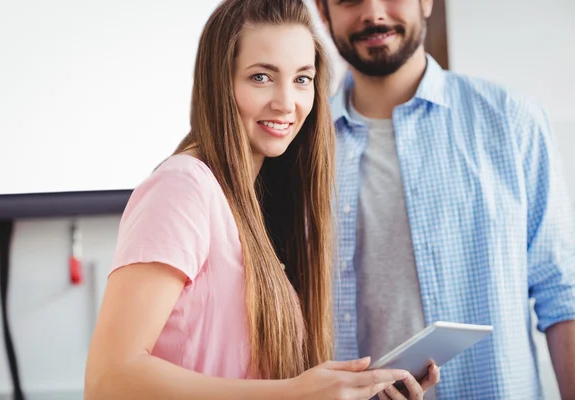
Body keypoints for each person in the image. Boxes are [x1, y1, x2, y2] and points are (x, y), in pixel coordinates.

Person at [84, 0, 440, 399]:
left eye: (302, 79)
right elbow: (107, 381)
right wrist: (293, 394)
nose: (287, 103)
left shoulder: (262, 202)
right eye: (261, 77)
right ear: (221, 82)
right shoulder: (183, 188)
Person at [313, 0, 575, 398]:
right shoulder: (299, 149)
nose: (373, 13)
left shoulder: (513, 121)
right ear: (323, 9)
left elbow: (564, 295)